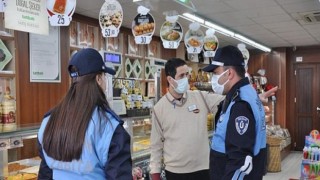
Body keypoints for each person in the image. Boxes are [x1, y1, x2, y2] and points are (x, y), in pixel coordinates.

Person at [150, 57, 277, 180]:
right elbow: (156, 145)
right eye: (181, 76)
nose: (186, 79)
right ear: (170, 79)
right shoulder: (159, 108)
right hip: (175, 172)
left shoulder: (199, 96)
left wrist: (253, 98)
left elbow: (230, 101)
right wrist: (155, 173)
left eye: (187, 75)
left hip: (203, 168)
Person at [37, 48, 132, 179]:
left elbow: (45, 174)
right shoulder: (108, 126)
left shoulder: (49, 121)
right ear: (98, 79)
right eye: (104, 77)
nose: (105, 82)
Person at [203, 45, 267, 180]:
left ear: (229, 73)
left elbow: (240, 161)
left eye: (215, 73)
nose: (213, 78)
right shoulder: (246, 93)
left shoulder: (240, 105)